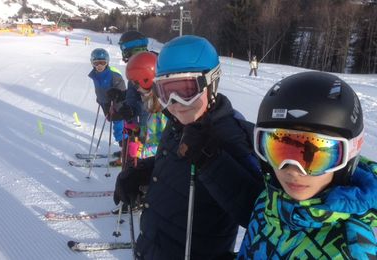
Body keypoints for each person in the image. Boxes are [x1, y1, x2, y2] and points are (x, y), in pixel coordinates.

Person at [113, 35, 264, 259]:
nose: (175, 103)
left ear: (212, 81)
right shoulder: (177, 123)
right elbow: (175, 162)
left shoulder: (233, 135)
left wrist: (211, 161)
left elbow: (257, 211)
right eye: (165, 92)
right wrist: (144, 172)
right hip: (154, 246)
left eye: (185, 90)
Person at [238, 71, 377, 259]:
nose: (294, 171)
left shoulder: (352, 248)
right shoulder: (269, 201)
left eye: (317, 156)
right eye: (280, 149)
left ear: (349, 157)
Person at [88, 48, 126, 164]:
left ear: (107, 62)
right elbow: (99, 89)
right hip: (105, 104)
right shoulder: (95, 74)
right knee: (117, 128)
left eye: (102, 63)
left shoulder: (113, 75)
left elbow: (122, 92)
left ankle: (126, 155)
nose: (99, 66)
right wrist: (99, 100)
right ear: (92, 63)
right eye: (96, 63)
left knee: (120, 129)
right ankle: (124, 150)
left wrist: (116, 103)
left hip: (117, 107)